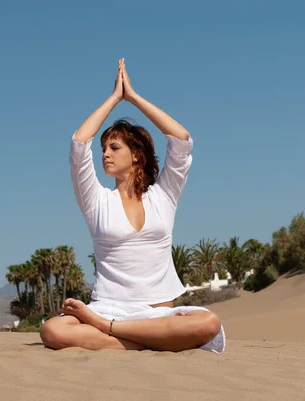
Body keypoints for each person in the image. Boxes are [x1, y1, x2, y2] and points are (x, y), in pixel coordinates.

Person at [39, 59, 225, 353]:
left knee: (208, 323)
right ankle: (141, 341)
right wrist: (114, 98)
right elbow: (78, 145)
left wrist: (133, 98)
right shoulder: (96, 201)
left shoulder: (163, 195)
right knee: (53, 330)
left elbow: (182, 140)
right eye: (103, 149)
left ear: (137, 155)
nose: (105, 155)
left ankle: (113, 336)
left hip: (155, 314)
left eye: (114, 147)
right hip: (107, 308)